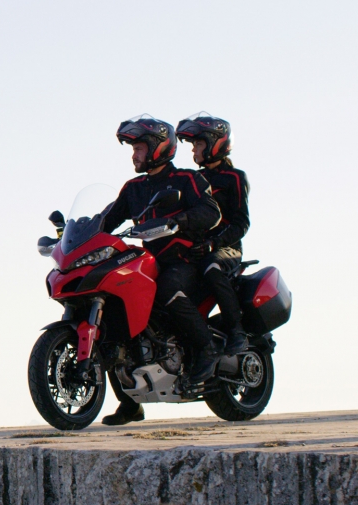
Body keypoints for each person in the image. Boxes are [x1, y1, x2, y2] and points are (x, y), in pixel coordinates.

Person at [99, 114, 223, 426]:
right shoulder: (133, 188)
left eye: (139, 148)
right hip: (147, 261)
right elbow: (107, 219)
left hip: (183, 259)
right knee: (114, 308)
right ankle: (129, 404)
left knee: (168, 289)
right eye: (133, 149)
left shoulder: (186, 180)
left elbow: (210, 212)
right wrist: (79, 232)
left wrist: (179, 221)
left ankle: (207, 348)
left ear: (157, 147)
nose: (134, 154)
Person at [176, 112, 251, 355]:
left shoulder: (234, 178)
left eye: (198, 144)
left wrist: (214, 243)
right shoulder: (193, 179)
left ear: (215, 143)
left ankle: (236, 329)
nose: (194, 150)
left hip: (225, 249)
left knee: (212, 267)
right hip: (196, 248)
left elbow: (241, 223)